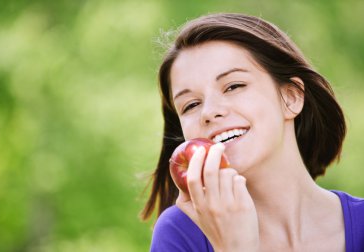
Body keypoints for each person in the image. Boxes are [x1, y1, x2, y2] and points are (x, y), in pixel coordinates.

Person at [140, 13, 364, 251]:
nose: (209, 112)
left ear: (291, 97)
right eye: (191, 105)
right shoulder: (181, 234)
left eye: (233, 86)